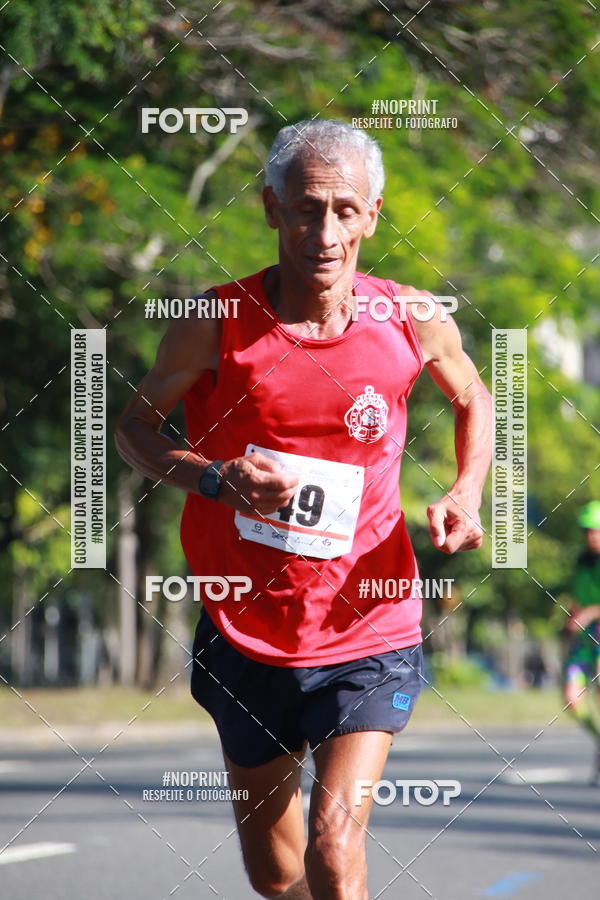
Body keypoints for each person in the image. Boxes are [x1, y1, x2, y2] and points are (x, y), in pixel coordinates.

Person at [115, 119, 492, 900]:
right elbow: (133, 429)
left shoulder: (412, 316)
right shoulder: (213, 323)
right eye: (305, 209)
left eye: (345, 210)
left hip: (370, 624)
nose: (325, 234)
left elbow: (474, 396)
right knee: (278, 873)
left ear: (373, 216)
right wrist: (215, 479)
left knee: (333, 847)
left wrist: (467, 488)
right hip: (244, 626)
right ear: (270, 208)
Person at [563, 501, 600, 785]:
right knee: (572, 699)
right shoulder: (581, 561)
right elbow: (578, 598)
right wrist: (574, 614)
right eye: (587, 531)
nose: (591, 536)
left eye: (596, 530)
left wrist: (589, 613)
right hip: (585, 640)